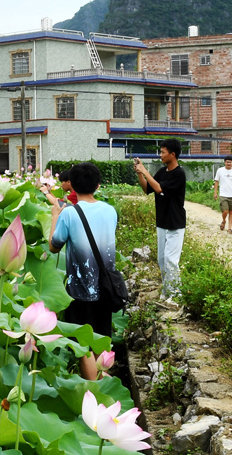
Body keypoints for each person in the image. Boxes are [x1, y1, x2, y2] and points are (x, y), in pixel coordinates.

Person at [43, 163, 117, 380]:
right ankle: (104, 387)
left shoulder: (69, 214)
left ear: (72, 186)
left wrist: (55, 215)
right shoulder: (110, 211)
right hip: (106, 286)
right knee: (102, 339)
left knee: (83, 344)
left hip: (79, 289)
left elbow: (54, 246)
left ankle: (93, 388)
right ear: (98, 185)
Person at [133, 138, 186, 302]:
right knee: (162, 259)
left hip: (175, 223)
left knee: (171, 260)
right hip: (162, 221)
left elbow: (159, 188)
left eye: (163, 152)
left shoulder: (179, 174)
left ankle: (175, 294)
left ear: (173, 154)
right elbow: (147, 189)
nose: (160, 155)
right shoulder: (162, 172)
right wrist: (140, 173)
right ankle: (167, 290)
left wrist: (145, 171)